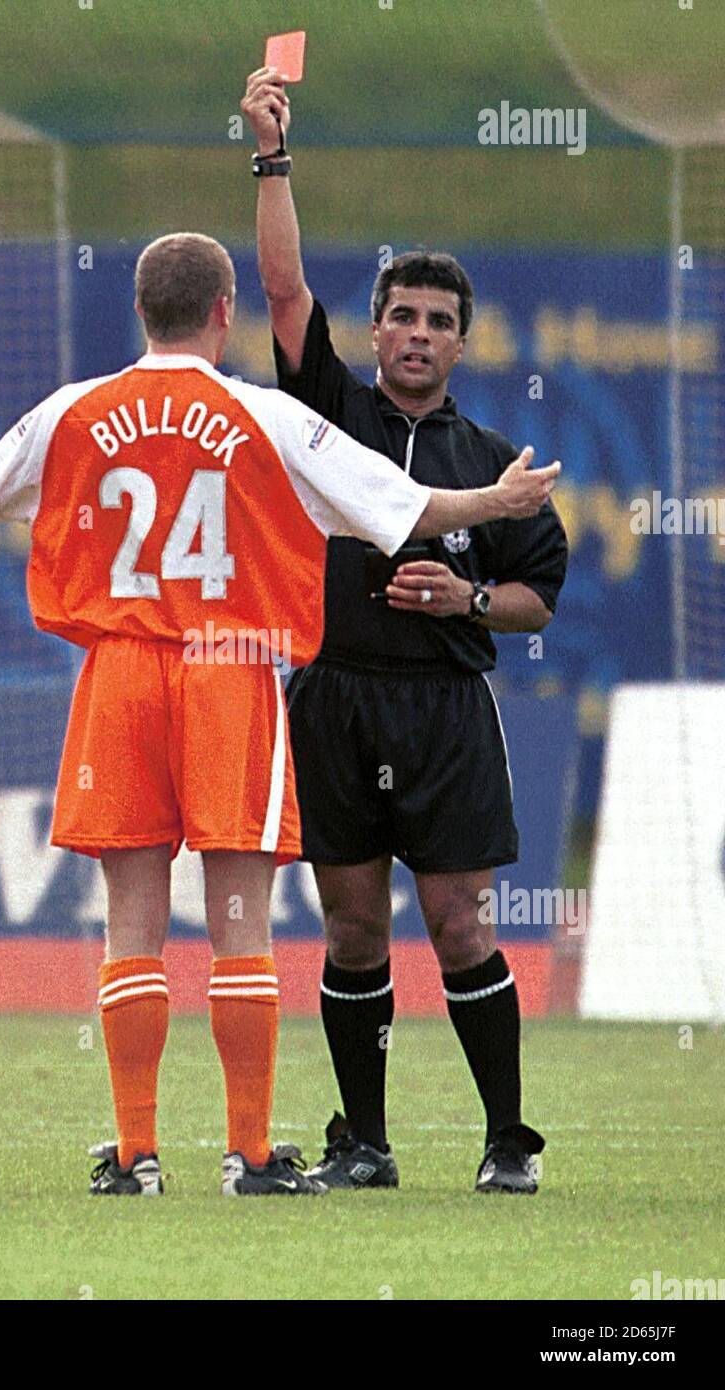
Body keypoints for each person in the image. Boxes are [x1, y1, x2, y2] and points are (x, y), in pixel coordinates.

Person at [0, 231, 560, 1197]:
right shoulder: (263, 416)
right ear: (222, 313)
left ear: (140, 312)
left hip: (118, 674)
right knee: (240, 920)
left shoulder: (77, 411)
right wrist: (498, 497)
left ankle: (137, 1156)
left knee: (131, 920)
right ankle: (251, 1154)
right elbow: (398, 507)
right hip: (229, 670)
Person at [241, 68, 569, 1193]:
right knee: (350, 932)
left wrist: (469, 600)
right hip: (332, 693)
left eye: (440, 323)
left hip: (443, 709)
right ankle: (365, 1143)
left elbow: (533, 599)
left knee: (461, 922)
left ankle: (505, 1140)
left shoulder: (494, 468)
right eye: (402, 317)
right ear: (375, 329)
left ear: (463, 343)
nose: (418, 335)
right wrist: (271, 154)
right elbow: (283, 290)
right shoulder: (330, 412)